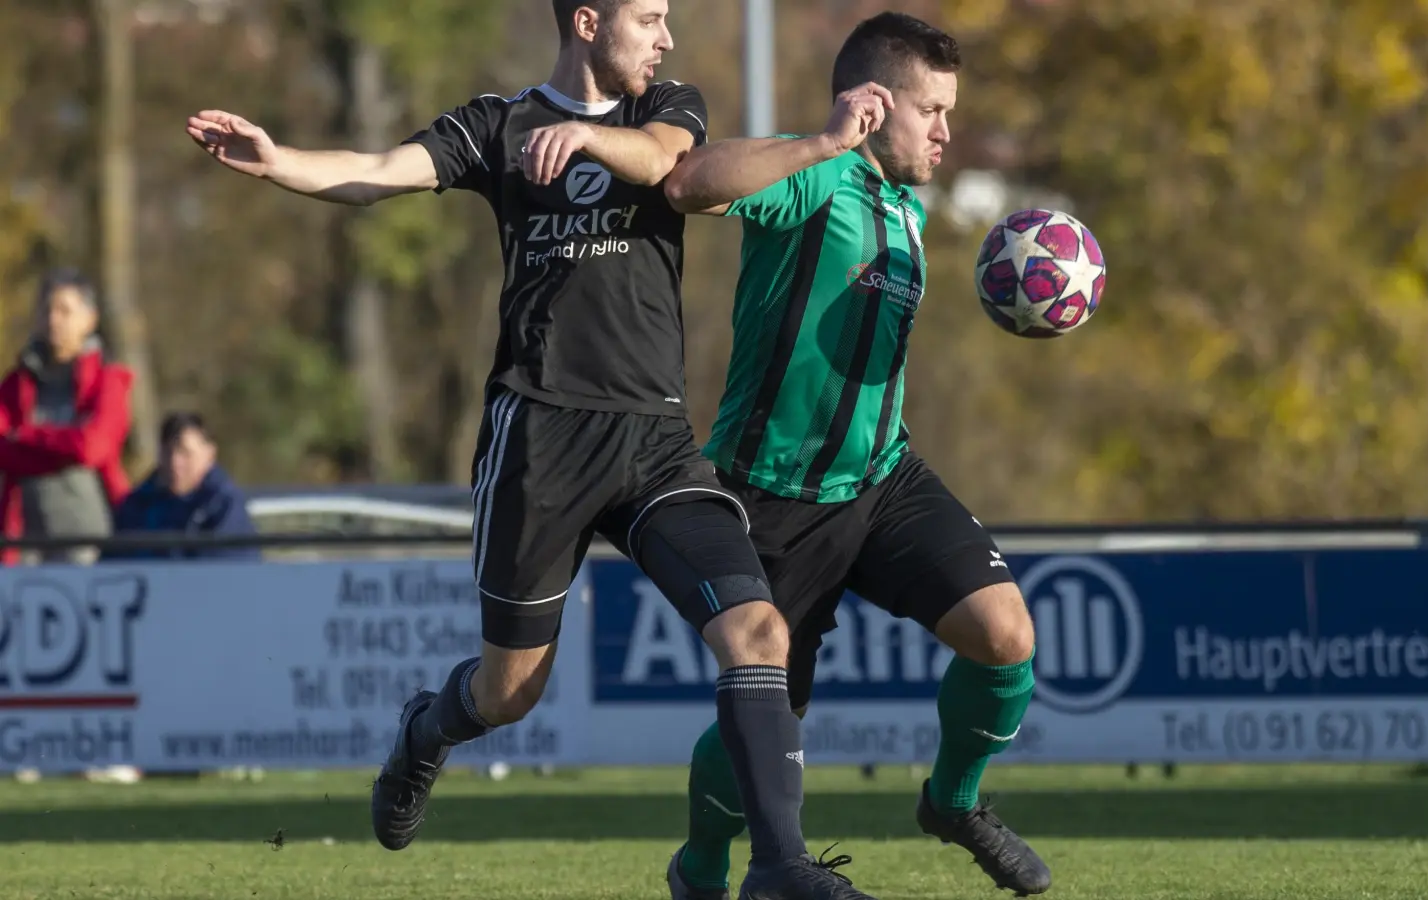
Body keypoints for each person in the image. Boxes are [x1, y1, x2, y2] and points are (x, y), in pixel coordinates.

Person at [186, 2, 871, 898]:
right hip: (540, 439)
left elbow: (670, 166)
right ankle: (427, 731)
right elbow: (375, 170)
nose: (665, 37)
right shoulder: (496, 126)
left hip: (655, 438)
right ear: (588, 20)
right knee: (512, 693)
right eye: (649, 17)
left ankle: (779, 870)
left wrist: (588, 144)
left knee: (757, 631)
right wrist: (279, 163)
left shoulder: (667, 106)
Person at [662, 12, 1054, 899]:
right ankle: (702, 867)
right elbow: (691, 182)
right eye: (932, 109)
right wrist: (821, 138)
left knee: (1005, 636)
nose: (948, 130)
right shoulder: (816, 178)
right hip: (772, 498)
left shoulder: (910, 207)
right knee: (761, 723)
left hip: (882, 479)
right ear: (875, 105)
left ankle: (953, 803)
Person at [0, 269, 132, 566]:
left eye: (64, 310)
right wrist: (64, 447)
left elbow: (93, 447)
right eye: (47, 309)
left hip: (91, 541)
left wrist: (26, 437)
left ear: (89, 319)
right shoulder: (16, 382)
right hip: (23, 542)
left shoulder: (107, 380)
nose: (53, 319)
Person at [104, 411, 259, 561]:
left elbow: (226, 573)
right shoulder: (136, 505)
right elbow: (110, 564)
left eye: (185, 453)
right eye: (167, 452)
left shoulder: (224, 506)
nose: (175, 463)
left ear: (210, 454)